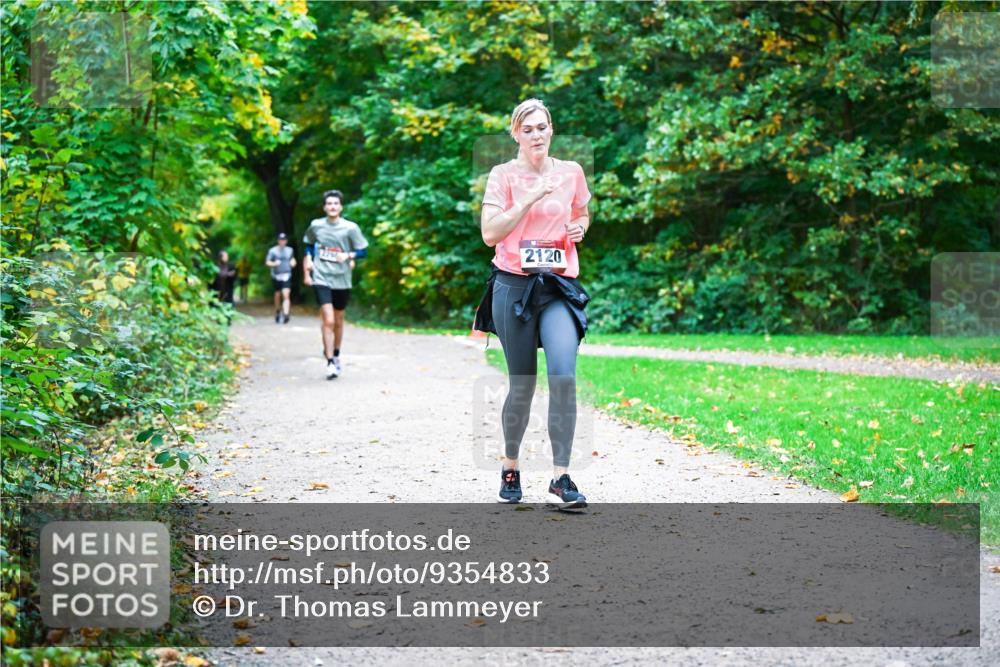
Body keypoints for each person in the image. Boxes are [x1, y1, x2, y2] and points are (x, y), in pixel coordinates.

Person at [474, 99, 592, 509]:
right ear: (516, 134)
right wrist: (528, 199)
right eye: (528, 129)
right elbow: (490, 233)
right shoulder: (502, 175)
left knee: (563, 375)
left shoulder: (571, 172)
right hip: (513, 286)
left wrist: (580, 227)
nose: (537, 135)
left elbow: (582, 211)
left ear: (551, 129)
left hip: (557, 286)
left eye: (542, 127)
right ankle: (511, 465)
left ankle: (561, 476)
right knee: (521, 383)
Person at [302, 190, 369, 379]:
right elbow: (308, 243)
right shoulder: (316, 226)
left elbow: (363, 251)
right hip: (322, 277)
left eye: (335, 204)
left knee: (338, 321)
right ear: (324, 207)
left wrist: (348, 255)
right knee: (328, 320)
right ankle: (329, 361)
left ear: (341, 207)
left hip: (342, 278)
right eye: (329, 203)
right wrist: (308, 258)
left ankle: (336, 354)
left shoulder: (350, 228)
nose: (332, 206)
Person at [266, 232, 296, 324]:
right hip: (276, 275)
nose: (282, 242)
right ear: (278, 241)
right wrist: (274, 264)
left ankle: (286, 314)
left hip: (286, 275)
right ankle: (278, 311)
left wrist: (293, 263)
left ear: (286, 241)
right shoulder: (273, 251)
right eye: (280, 240)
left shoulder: (290, 250)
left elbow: (292, 259)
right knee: (278, 295)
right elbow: (267, 262)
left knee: (286, 294)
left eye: (284, 240)